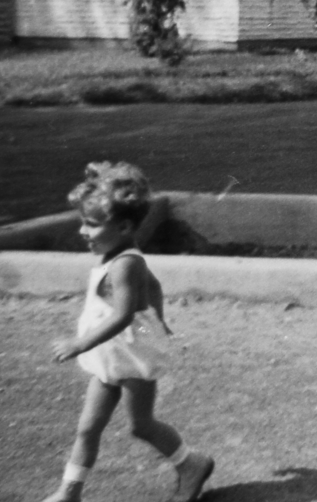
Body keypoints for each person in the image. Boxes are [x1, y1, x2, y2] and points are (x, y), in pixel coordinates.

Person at [42, 162, 215, 502]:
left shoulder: (125, 263)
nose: (82, 230)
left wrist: (79, 343)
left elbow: (121, 316)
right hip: (109, 355)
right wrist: (158, 315)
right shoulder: (115, 255)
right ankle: (69, 491)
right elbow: (154, 284)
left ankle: (192, 464)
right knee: (88, 427)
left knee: (141, 424)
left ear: (123, 226)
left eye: (91, 224)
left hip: (133, 356)